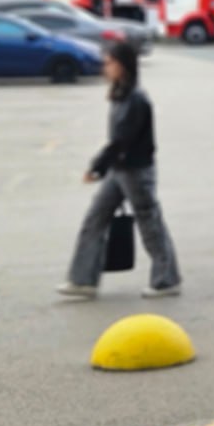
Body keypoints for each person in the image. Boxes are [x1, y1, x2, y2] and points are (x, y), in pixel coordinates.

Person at [57, 41, 182, 299]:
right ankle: (83, 280)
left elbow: (121, 140)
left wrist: (97, 166)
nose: (105, 67)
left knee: (150, 224)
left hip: (136, 172)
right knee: (95, 219)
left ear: (123, 66)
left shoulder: (135, 99)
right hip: (119, 169)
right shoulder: (122, 93)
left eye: (109, 62)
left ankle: (166, 279)